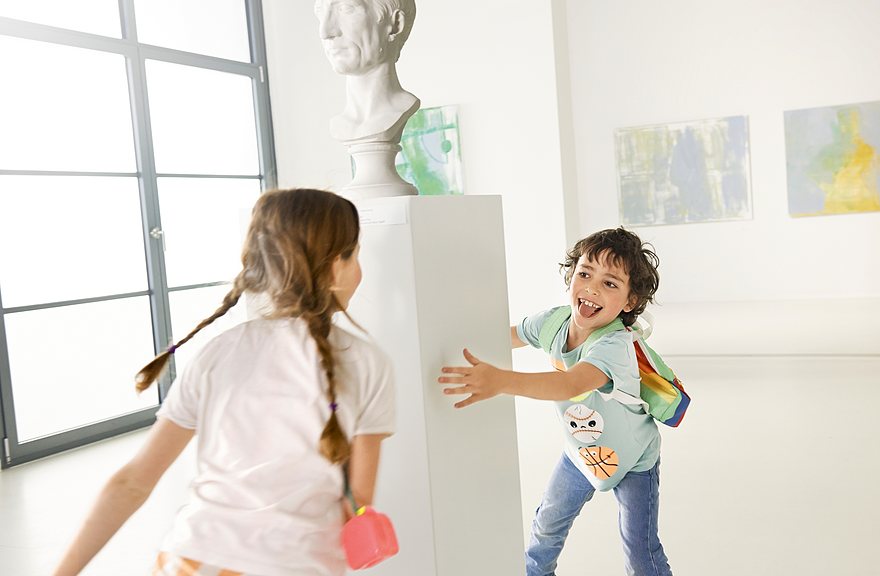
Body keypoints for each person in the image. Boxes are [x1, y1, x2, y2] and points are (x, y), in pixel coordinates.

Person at [53, 188, 395, 576]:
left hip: (188, 560)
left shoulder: (216, 353)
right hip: (294, 565)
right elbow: (358, 502)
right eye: (355, 255)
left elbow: (132, 483)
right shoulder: (368, 362)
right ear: (335, 267)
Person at [438, 227, 673, 575]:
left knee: (640, 550)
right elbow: (503, 337)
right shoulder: (553, 323)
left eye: (610, 283)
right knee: (545, 529)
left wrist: (500, 380)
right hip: (581, 453)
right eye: (585, 274)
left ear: (629, 301)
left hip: (635, 458)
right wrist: (448, 336)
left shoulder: (614, 346)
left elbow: (569, 384)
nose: (592, 288)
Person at [315, 0, 420, 145]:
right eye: (320, 12)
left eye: (346, 8)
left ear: (396, 24)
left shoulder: (400, 110)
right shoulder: (340, 124)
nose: (324, 32)